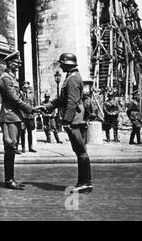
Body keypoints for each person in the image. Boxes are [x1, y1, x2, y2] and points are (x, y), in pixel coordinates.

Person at [42, 53, 92, 193]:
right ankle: (84, 182)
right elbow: (62, 99)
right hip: (76, 117)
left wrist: (66, 121)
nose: (60, 66)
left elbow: (71, 102)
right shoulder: (72, 77)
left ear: (67, 64)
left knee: (81, 151)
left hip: (75, 119)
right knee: (80, 151)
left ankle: (85, 183)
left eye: (62, 63)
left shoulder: (72, 79)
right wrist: (48, 106)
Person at [0, 51, 40, 190]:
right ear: (10, 63)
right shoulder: (6, 79)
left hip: (15, 116)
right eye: (17, 63)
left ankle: (11, 178)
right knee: (10, 147)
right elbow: (14, 99)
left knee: (12, 147)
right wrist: (31, 109)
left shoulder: (12, 78)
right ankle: (9, 180)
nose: (19, 65)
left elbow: (19, 98)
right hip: (9, 116)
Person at [18, 81, 37, 153]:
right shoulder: (20, 95)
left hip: (30, 116)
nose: (26, 89)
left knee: (30, 132)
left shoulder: (31, 96)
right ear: (22, 88)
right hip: (23, 116)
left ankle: (30, 147)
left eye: (27, 87)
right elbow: (18, 105)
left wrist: (34, 114)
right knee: (22, 132)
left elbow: (35, 105)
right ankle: (23, 147)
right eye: (24, 87)